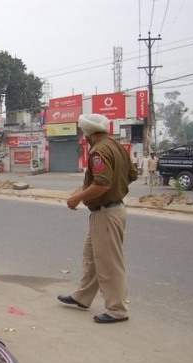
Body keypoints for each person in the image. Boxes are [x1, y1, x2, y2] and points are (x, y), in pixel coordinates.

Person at [59, 114, 137, 324]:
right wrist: (115, 188)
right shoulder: (117, 146)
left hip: (106, 212)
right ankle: (82, 297)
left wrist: (77, 198)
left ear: (87, 134)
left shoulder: (98, 151)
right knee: (92, 256)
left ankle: (116, 310)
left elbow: (102, 183)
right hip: (111, 209)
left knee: (109, 263)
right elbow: (132, 174)